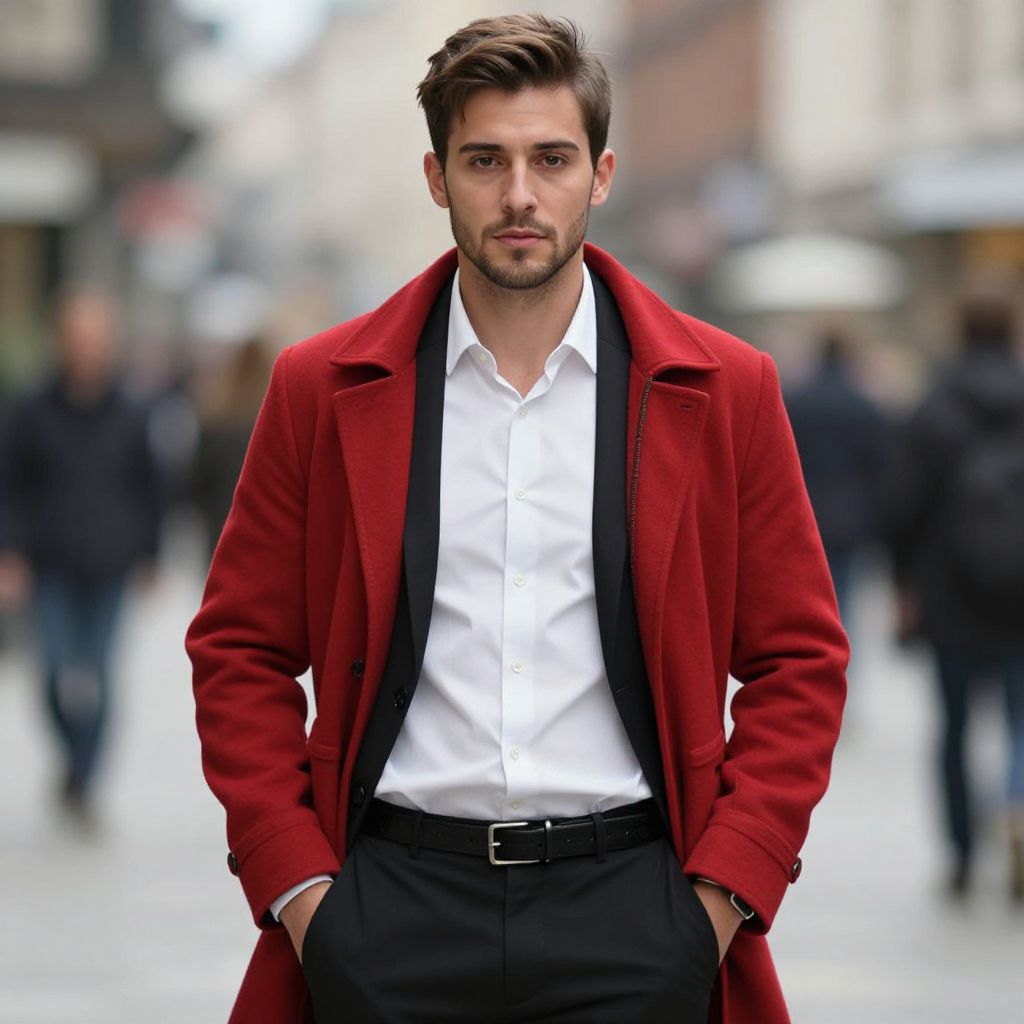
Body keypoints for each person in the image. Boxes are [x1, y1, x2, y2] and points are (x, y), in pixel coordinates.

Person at [186, 15, 848, 1024]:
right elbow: (238, 647)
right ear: (437, 177)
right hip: (389, 911)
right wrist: (303, 894)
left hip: (636, 913)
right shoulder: (321, 388)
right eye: (485, 160)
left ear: (602, 174)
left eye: (552, 159)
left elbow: (800, 657)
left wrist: (720, 899)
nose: (520, 195)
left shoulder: (725, 389)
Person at [0, 286, 162, 823]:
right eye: (78, 336)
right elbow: (10, 485)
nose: (88, 347)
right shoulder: (32, 408)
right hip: (50, 562)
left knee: (99, 677)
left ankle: (84, 781)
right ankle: (74, 759)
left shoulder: (133, 411)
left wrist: (151, 556)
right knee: (52, 672)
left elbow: (151, 488)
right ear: (62, 340)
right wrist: (9, 553)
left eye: (96, 337)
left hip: (110, 563)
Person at [887, 297, 1024, 903]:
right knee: (1021, 719)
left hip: (951, 593)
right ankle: (1017, 807)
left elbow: (903, 506)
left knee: (954, 728)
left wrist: (902, 583)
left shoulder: (935, 407)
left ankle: (963, 852)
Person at [785, 331, 888, 626]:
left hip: (806, 507)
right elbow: (878, 465)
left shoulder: (797, 401)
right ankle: (838, 640)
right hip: (851, 512)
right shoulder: (863, 406)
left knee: (806, 588)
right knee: (843, 590)